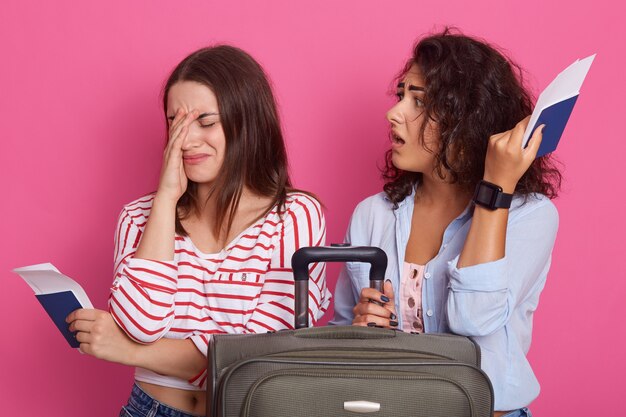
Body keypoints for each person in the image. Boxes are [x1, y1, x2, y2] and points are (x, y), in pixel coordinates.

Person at [66, 45, 331, 417]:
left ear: (247, 121)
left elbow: (257, 354)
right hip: (149, 409)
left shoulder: (295, 215)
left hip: (246, 409)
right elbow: (141, 323)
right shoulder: (139, 217)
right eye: (175, 122)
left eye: (205, 122)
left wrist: (129, 352)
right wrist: (166, 199)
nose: (187, 140)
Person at [330, 29, 561, 417]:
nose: (394, 112)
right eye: (401, 95)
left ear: (466, 118)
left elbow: (475, 317)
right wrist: (358, 330)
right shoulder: (371, 215)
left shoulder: (530, 215)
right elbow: (337, 340)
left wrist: (497, 189)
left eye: (418, 101)